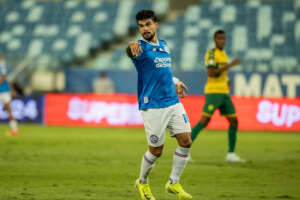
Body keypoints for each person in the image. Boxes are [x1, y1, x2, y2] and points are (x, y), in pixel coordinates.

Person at [126, 10, 192, 200]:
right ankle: (142, 183)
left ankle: (173, 183)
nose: (144, 29)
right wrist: (129, 48)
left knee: (186, 141)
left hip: (172, 101)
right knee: (156, 151)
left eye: (147, 24)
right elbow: (130, 51)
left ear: (156, 24)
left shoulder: (164, 45)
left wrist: (176, 82)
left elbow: (163, 71)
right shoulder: (139, 47)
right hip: (153, 105)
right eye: (140, 26)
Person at [190, 30, 245, 163]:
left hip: (224, 92)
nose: (222, 41)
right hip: (213, 92)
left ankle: (231, 154)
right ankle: (183, 152)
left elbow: (220, 73)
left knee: (234, 121)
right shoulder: (212, 53)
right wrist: (230, 65)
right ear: (215, 39)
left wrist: (226, 82)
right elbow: (211, 73)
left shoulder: (223, 54)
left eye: (223, 38)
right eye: (219, 38)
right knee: (204, 121)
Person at [0, 55, 19, 136]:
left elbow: (4, 77)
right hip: (4, 91)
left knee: (9, 110)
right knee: (9, 111)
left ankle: (14, 130)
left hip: (4, 91)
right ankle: (14, 130)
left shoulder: (2, 65)